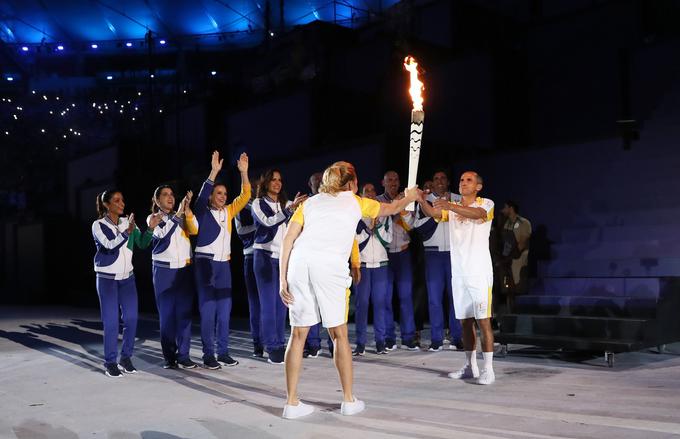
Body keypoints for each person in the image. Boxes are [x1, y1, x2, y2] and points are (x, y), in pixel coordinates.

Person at [278, 161, 421, 419]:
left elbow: (288, 238)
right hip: (329, 267)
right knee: (339, 335)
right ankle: (348, 399)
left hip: (298, 264)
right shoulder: (356, 202)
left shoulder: (310, 202)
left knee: (298, 335)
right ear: (352, 183)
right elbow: (392, 208)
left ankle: (291, 403)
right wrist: (409, 196)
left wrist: (282, 279)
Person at [418, 171, 496, 385]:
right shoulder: (451, 207)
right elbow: (434, 214)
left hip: (479, 272)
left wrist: (450, 206)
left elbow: (478, 214)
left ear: (478, 186)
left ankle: (488, 369)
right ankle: (470, 367)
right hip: (459, 272)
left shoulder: (486, 203)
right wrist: (419, 199)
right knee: (465, 322)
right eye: (461, 180)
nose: (464, 183)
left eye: (469, 180)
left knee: (484, 321)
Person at [193, 151, 251, 369]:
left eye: (225, 193)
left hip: (224, 265)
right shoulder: (201, 210)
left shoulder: (228, 211)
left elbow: (244, 197)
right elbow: (200, 197)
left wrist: (244, 173)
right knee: (208, 311)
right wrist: (214, 172)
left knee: (224, 311)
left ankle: (223, 352)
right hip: (205, 263)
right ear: (210, 195)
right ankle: (208, 355)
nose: (223, 196)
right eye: (218, 193)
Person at [92, 190, 159, 377]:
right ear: (106, 204)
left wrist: (151, 228)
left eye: (122, 199)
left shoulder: (127, 222)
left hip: (127, 279)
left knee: (131, 319)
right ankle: (110, 362)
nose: (122, 203)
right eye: (117, 200)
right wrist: (126, 232)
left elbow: (143, 243)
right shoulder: (98, 225)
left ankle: (126, 358)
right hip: (107, 280)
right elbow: (109, 245)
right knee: (111, 322)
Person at [252, 169, 307, 364]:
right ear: (266, 183)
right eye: (273, 180)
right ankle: (272, 347)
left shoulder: (285, 204)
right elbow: (267, 222)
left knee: (283, 304)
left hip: (283, 258)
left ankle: (281, 343)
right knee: (268, 305)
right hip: (264, 256)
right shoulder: (258, 203)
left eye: (279, 180)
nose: (277, 183)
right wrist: (289, 210)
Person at [147, 186, 199, 369]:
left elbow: (195, 229)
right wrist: (178, 214)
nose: (170, 197)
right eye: (165, 195)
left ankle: (184, 356)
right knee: (167, 316)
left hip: (184, 269)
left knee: (184, 315)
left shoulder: (182, 215)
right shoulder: (153, 219)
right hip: (164, 272)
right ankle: (170, 357)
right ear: (157, 200)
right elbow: (165, 235)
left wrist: (187, 210)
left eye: (171, 194)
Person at [414, 170, 463, 351]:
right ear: (432, 184)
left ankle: (457, 336)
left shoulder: (458, 199)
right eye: (436, 179)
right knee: (434, 298)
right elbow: (418, 227)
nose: (440, 181)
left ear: (448, 181)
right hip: (433, 254)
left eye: (443, 178)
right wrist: (437, 216)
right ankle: (436, 338)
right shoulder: (425, 202)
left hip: (454, 253)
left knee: (456, 297)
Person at [377, 171, 418, 350]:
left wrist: (403, 205)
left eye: (395, 180)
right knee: (385, 298)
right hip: (383, 255)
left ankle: (408, 337)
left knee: (406, 296)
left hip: (402, 253)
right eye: (389, 180)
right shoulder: (377, 200)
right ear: (383, 182)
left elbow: (411, 225)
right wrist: (394, 205)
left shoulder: (407, 200)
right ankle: (388, 337)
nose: (393, 183)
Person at [353, 182, 392, 355]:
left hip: (381, 265)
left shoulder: (383, 213)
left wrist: (379, 227)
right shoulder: (356, 215)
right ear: (361, 194)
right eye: (366, 190)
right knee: (362, 305)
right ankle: (360, 344)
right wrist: (369, 229)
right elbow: (354, 240)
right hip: (362, 265)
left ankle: (380, 342)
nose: (369, 193)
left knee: (380, 304)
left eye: (372, 190)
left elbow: (389, 239)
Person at [234, 193, 263, 357]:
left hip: (270, 256)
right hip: (251, 255)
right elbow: (241, 231)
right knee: (255, 303)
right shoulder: (241, 208)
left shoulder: (264, 204)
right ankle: (258, 344)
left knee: (271, 302)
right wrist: (261, 224)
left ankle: (272, 342)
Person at [501, 200, 532, 302]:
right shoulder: (506, 223)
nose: (503, 210)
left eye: (505, 207)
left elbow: (523, 241)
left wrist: (513, 254)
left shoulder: (524, 222)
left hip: (519, 257)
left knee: (518, 283)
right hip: (508, 258)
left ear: (511, 208)